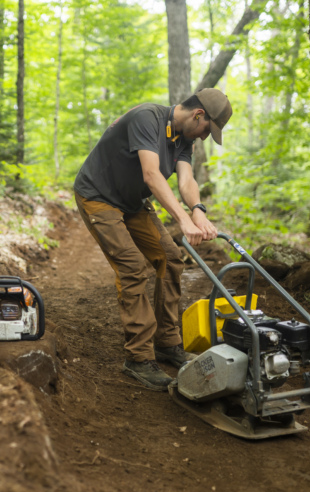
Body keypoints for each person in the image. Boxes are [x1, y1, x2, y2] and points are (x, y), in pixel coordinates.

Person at [73, 89, 232, 391]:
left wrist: (197, 210)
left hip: (132, 203)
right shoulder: (148, 118)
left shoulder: (184, 139)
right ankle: (138, 357)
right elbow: (151, 174)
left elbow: (186, 180)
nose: (203, 137)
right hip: (98, 197)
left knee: (171, 259)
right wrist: (182, 221)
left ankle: (167, 342)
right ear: (198, 115)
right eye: (206, 130)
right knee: (133, 267)